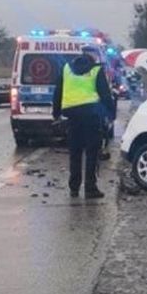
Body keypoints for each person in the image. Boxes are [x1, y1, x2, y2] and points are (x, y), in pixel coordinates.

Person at [52, 45, 115, 199]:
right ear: (93, 56)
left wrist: (56, 114)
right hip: (91, 116)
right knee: (92, 153)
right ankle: (90, 188)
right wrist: (111, 113)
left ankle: (74, 188)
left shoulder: (67, 68)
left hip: (72, 116)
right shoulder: (95, 70)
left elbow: (58, 91)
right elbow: (105, 94)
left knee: (75, 152)